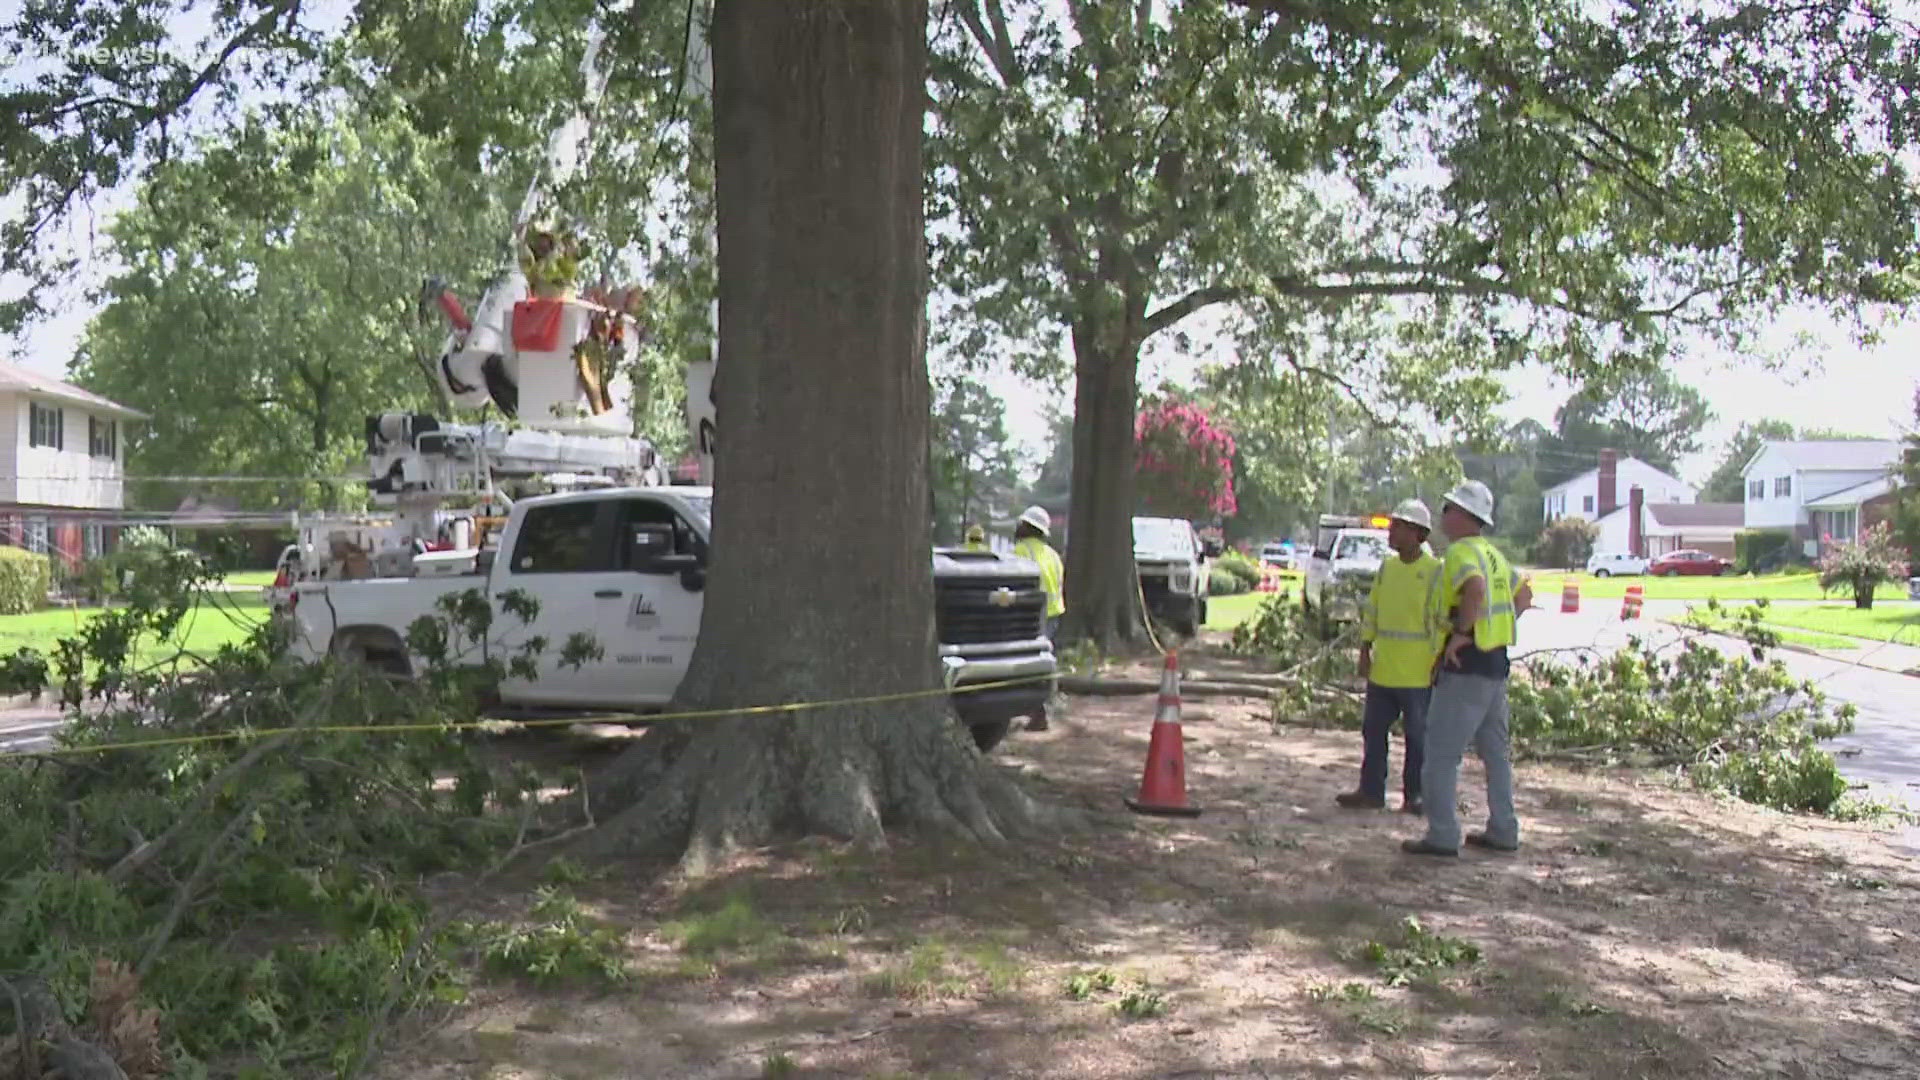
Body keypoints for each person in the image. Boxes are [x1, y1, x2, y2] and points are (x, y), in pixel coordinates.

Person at [1403, 479, 1535, 858]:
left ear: (1464, 516)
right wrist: (1492, 632)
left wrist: (1465, 634)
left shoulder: (1462, 554)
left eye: (1448, 508)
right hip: (1494, 666)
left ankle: (1442, 834)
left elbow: (1474, 590)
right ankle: (1503, 829)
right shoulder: (1493, 555)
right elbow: (1522, 596)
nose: (1443, 515)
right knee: (1496, 754)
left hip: (1466, 668)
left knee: (1442, 756)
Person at [1336, 498, 1440, 815]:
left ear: (1417, 533)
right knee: (1373, 732)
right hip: (1384, 669)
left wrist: (1438, 662)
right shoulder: (1388, 568)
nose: (1391, 533)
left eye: (1398, 527)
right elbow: (1374, 610)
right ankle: (1371, 791)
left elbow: (1440, 620)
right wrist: (1365, 648)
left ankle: (1415, 795)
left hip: (1418, 672)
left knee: (1417, 739)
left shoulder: (1434, 571)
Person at [1012, 505, 1065, 731]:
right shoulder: (1053, 554)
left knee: (1027, 664)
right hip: (1054, 615)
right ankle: (1041, 708)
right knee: (1043, 662)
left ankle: (1038, 711)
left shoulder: (1021, 551)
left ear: (1026, 527)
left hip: (1032, 616)